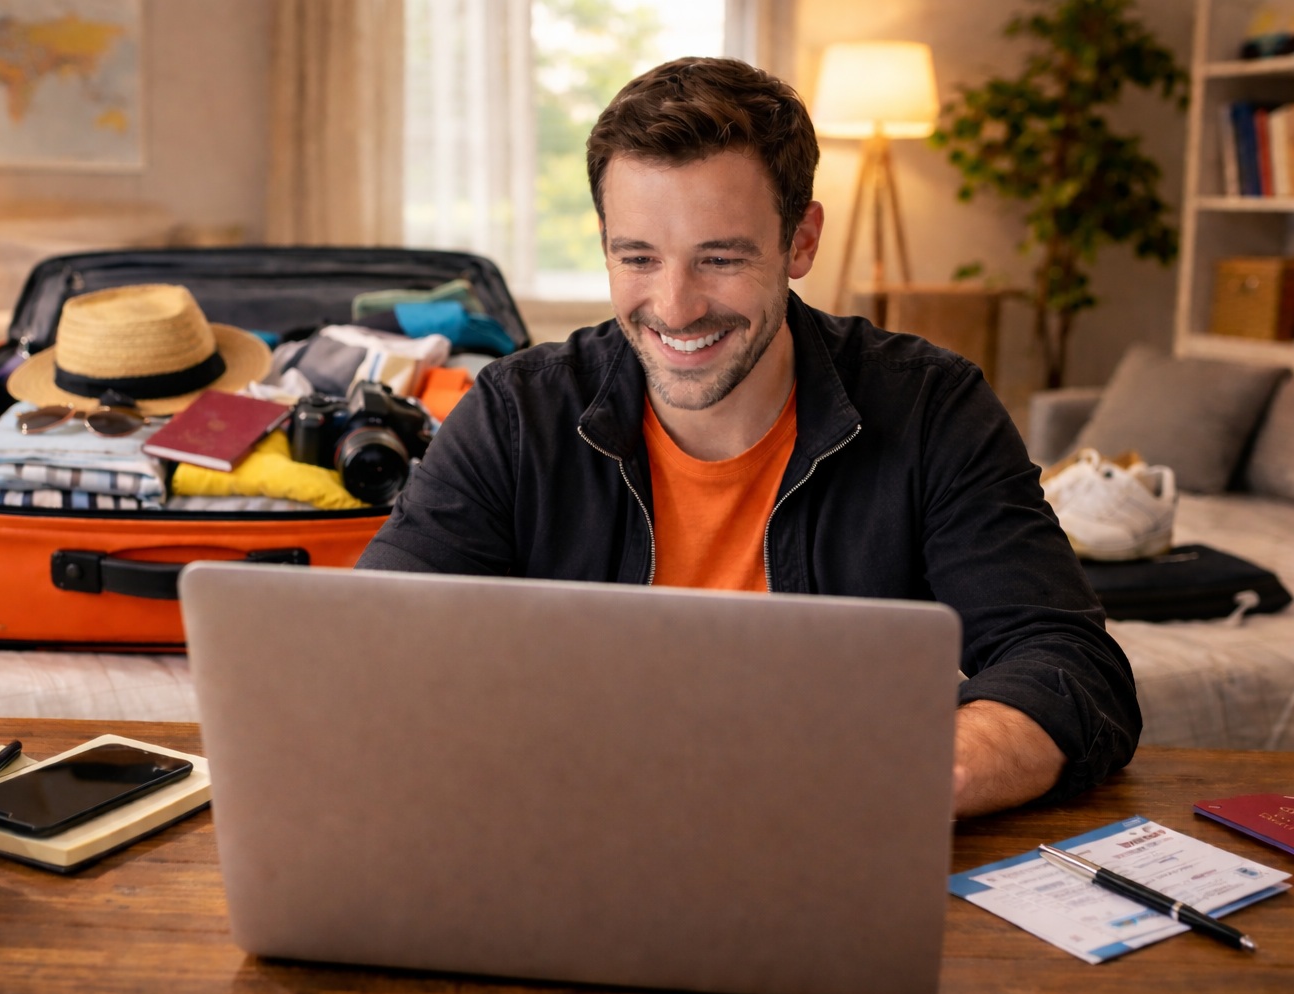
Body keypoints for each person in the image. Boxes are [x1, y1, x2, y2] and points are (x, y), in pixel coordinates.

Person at [357, 56, 1138, 818]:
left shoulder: (931, 408)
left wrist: (915, 774)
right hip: (559, 829)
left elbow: (1070, 668)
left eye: (720, 258)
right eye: (638, 257)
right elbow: (370, 651)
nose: (676, 307)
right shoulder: (515, 415)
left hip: (832, 834)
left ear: (801, 241)